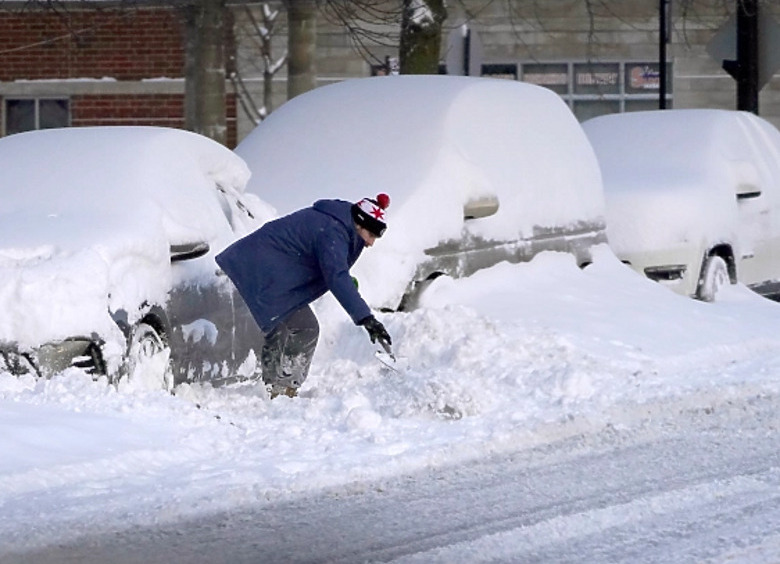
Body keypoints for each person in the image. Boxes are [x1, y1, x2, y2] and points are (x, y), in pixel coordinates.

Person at [215, 194, 393, 398]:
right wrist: (366, 318)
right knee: (305, 329)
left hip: (259, 267)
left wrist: (343, 280)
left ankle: (273, 385)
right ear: (360, 224)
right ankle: (284, 388)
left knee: (281, 327)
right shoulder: (333, 231)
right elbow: (336, 275)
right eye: (371, 235)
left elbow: (331, 267)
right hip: (262, 272)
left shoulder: (335, 223)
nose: (371, 243)